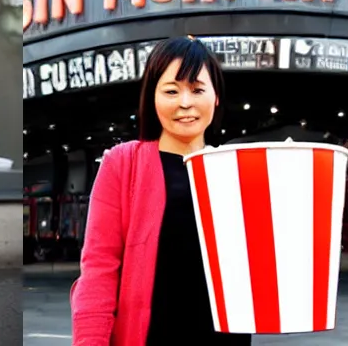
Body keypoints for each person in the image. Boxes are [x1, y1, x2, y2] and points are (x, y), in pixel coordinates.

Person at [71, 36, 250, 346]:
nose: (185, 103)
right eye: (171, 90)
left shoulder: (234, 170)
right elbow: (99, 269)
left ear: (216, 97)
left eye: (197, 89)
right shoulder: (122, 164)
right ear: (152, 98)